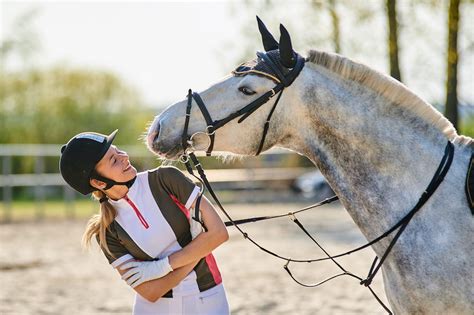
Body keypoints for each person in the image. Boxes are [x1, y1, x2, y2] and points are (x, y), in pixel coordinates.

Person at [59, 129, 230, 314]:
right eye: (114, 160)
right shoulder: (106, 231)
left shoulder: (165, 179)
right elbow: (150, 292)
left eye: (118, 151)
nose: (124, 157)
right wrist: (197, 248)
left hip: (209, 298)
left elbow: (219, 233)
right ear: (99, 183)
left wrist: (161, 267)